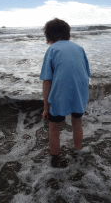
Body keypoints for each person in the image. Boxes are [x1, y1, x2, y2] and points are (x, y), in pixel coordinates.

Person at [39, 18, 91, 161]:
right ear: (67, 34)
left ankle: (55, 161)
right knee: (77, 124)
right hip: (80, 93)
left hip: (61, 94)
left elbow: (47, 81)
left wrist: (45, 108)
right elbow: (86, 74)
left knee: (54, 128)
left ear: (48, 37)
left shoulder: (52, 50)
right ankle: (78, 152)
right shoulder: (79, 48)